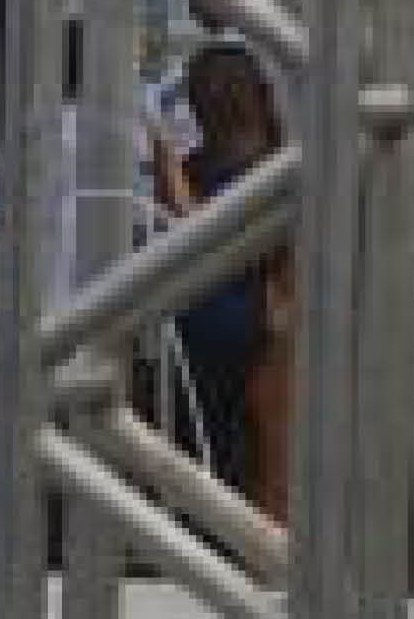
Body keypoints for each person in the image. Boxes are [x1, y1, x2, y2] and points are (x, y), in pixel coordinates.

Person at [171, 46, 289, 524]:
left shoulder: (198, 167)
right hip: (251, 310)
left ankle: (204, 523)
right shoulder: (274, 161)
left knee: (204, 427)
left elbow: (199, 236)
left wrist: (167, 167)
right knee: (248, 435)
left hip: (214, 312)